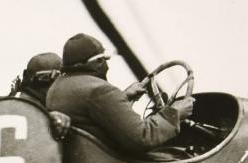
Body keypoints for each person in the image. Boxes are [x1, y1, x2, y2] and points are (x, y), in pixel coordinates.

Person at [46, 33, 195, 156]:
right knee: (184, 156)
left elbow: (93, 115)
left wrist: (123, 97)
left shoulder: (57, 87)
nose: (107, 66)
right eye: (105, 60)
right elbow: (142, 137)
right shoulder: (101, 91)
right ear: (97, 62)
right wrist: (175, 113)